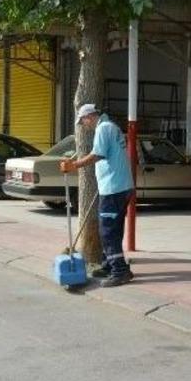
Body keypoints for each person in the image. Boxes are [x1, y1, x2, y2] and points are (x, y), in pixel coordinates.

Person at [60, 104, 135, 287]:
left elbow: (97, 155)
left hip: (113, 188)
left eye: (83, 120)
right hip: (119, 186)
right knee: (114, 229)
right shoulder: (112, 127)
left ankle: (120, 271)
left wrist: (74, 165)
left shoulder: (103, 128)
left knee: (107, 230)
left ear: (90, 116)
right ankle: (109, 264)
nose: (84, 125)